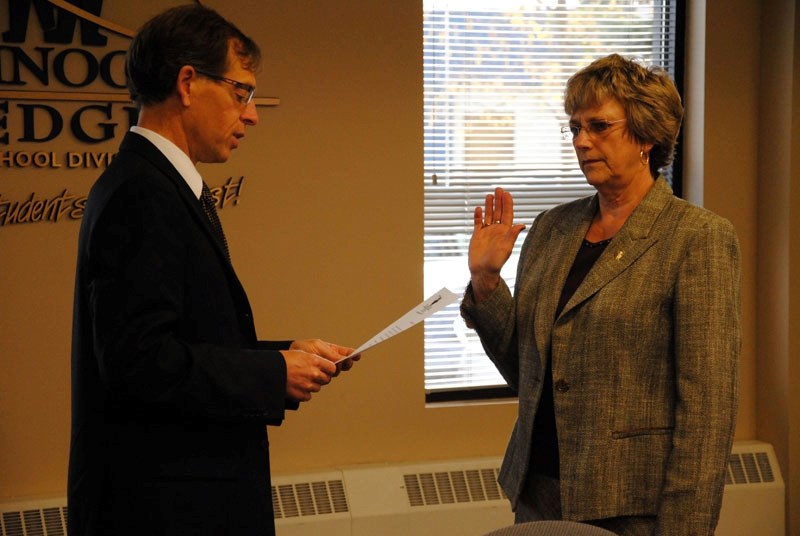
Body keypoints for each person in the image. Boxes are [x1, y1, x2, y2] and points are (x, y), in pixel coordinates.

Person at [68, 5, 357, 535]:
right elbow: (139, 364)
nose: (252, 114)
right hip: (164, 510)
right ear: (187, 82)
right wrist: (272, 373)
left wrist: (286, 358)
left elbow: (185, 340)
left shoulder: (162, 185)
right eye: (241, 91)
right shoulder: (142, 193)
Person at [461, 54, 739, 535]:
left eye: (599, 126)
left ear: (647, 136)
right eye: (574, 128)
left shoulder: (696, 237)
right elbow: (526, 371)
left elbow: (707, 411)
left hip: (635, 505)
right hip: (541, 494)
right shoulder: (551, 230)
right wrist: (487, 281)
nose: (582, 141)